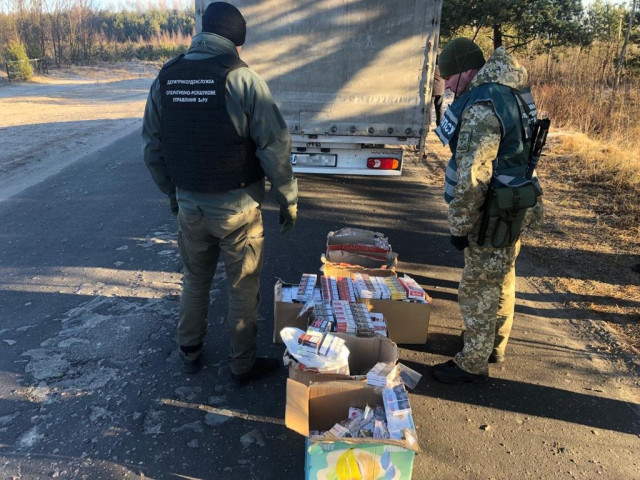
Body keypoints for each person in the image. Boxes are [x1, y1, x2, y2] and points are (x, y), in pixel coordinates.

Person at [141, 2, 298, 385]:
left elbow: (153, 147)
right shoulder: (244, 80)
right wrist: (288, 198)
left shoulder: (166, 77)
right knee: (241, 286)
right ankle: (241, 364)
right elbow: (274, 147)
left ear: (203, 32)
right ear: (236, 41)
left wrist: (174, 194)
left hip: (190, 205)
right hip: (237, 209)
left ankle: (189, 351)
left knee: (195, 280)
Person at [431, 38, 543, 384]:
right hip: (515, 204)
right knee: (503, 276)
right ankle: (494, 345)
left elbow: (473, 174)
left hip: (490, 212)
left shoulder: (483, 104)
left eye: (450, 77)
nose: (448, 86)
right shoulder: (512, 90)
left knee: (478, 287)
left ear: (468, 71)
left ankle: (472, 363)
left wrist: (459, 226)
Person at [432, 57, 445, 126]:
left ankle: (428, 124)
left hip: (433, 90)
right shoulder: (443, 67)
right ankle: (439, 124)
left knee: (429, 108)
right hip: (441, 89)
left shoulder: (433, 67)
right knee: (439, 108)